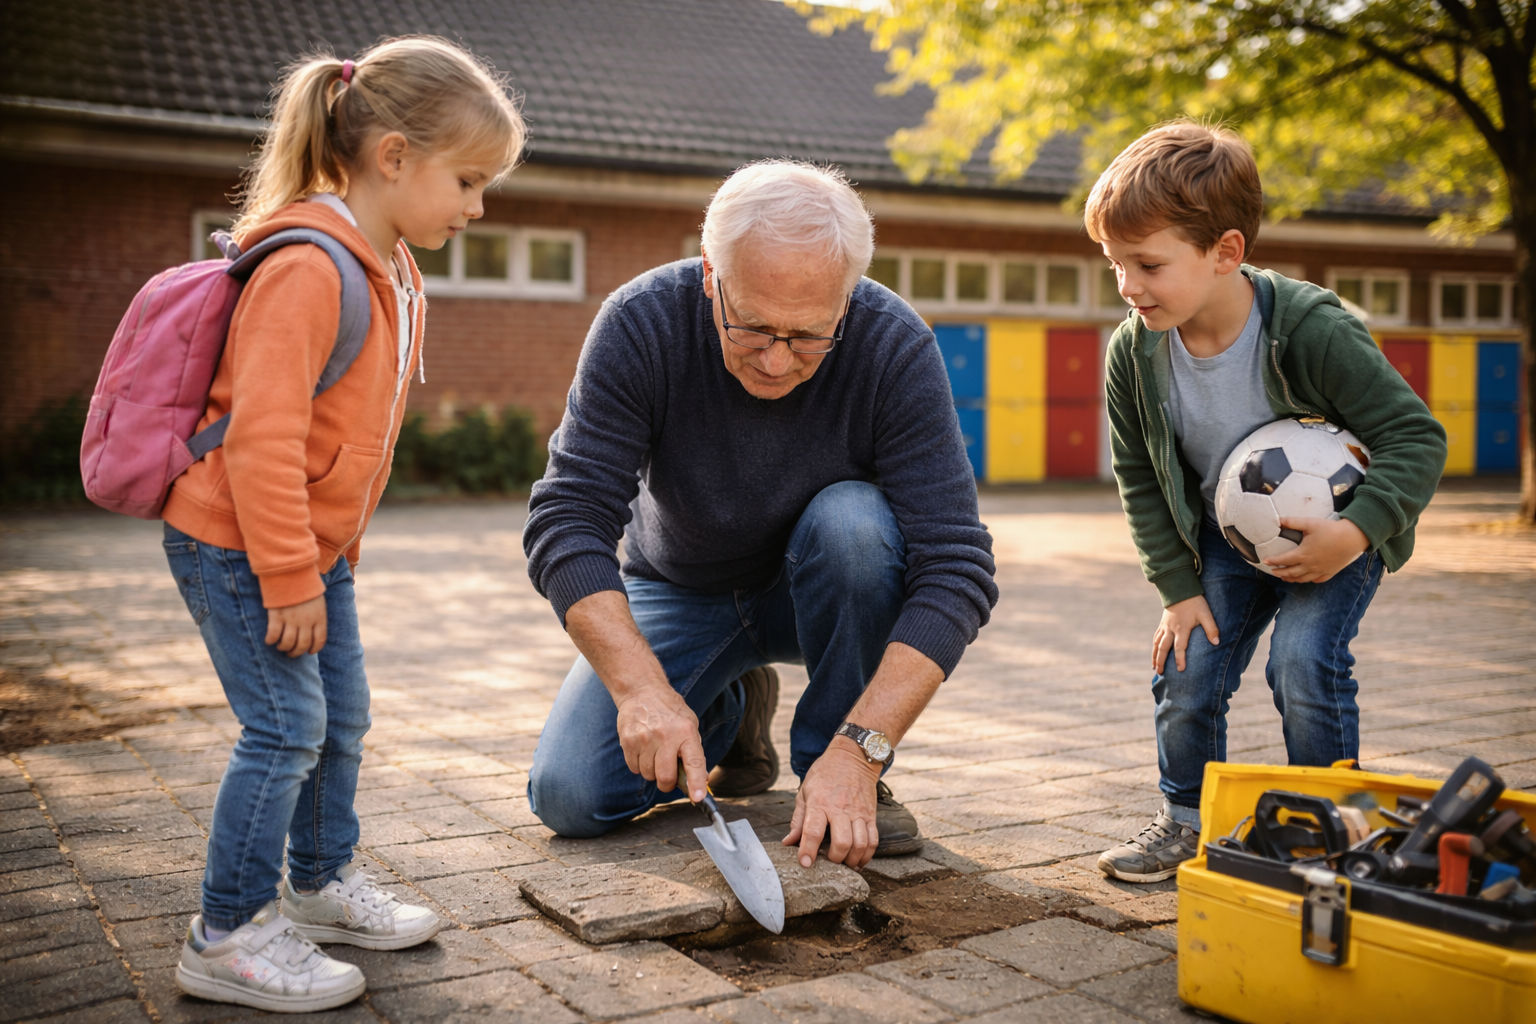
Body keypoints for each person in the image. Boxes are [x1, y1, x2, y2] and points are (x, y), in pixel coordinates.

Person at [160, 36, 524, 1012]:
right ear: (394, 156)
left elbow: (349, 430)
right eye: (469, 181)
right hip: (241, 542)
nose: (478, 207)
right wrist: (289, 575)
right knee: (286, 729)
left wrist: (331, 558)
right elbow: (262, 441)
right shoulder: (309, 268)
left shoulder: (389, 265)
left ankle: (318, 884)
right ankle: (226, 934)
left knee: (343, 718)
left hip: (309, 550)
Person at [523, 159, 998, 871]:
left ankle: (835, 765)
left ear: (847, 298)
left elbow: (956, 568)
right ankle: (729, 708)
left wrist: (862, 750)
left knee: (855, 526)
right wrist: (643, 690)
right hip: (682, 588)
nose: (776, 361)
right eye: (750, 327)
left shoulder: (894, 346)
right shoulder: (641, 322)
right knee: (570, 797)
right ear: (709, 274)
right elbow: (568, 515)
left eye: (807, 335)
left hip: (827, 588)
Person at [1086, 120, 1447, 883]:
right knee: (1186, 666)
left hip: (1334, 533)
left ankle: (1337, 833)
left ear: (1225, 252)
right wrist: (1177, 589)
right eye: (1115, 263)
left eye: (1147, 264)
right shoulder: (1134, 350)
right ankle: (1186, 820)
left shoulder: (1313, 329)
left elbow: (1416, 437)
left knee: (1303, 663)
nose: (1127, 286)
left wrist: (1356, 533)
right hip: (1225, 539)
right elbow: (1138, 473)